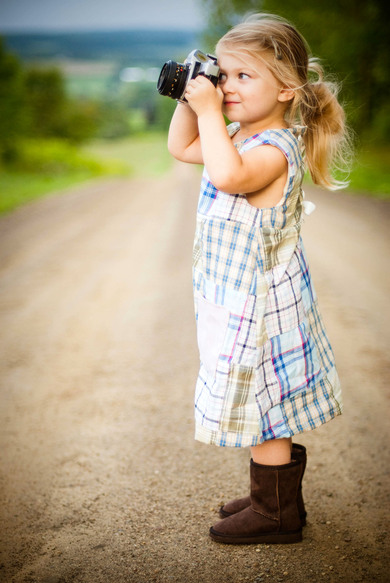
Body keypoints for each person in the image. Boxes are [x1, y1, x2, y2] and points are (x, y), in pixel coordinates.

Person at [167, 13, 351, 545]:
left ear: (288, 89)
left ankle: (276, 515)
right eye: (222, 75)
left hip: (264, 305)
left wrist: (206, 109)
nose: (226, 88)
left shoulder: (274, 149)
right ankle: (274, 495)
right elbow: (183, 151)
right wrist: (189, 101)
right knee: (255, 395)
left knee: (265, 402)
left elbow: (226, 176)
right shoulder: (240, 137)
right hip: (236, 297)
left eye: (244, 77)